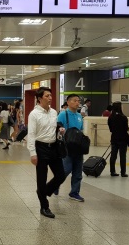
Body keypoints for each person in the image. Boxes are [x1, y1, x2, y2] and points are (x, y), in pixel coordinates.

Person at [27, 87, 67, 219]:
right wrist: (33, 153)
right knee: (41, 178)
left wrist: (59, 130)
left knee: (61, 174)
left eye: (51, 95)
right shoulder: (34, 114)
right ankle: (44, 206)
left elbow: (53, 127)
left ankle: (44, 191)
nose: (50, 98)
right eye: (47, 96)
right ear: (39, 98)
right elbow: (31, 135)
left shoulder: (54, 112)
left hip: (54, 147)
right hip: (41, 148)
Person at [58, 94, 86, 202]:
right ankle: (55, 184)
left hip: (78, 148)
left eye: (78, 101)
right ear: (68, 102)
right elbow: (57, 129)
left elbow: (81, 130)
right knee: (66, 170)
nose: (77, 103)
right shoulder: (63, 114)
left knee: (78, 171)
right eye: (75, 101)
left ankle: (74, 192)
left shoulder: (79, 116)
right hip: (67, 147)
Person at [108, 101, 129, 177]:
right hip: (123, 139)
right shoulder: (123, 117)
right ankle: (123, 172)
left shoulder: (110, 117)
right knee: (123, 156)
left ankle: (112, 171)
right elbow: (126, 129)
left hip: (114, 139)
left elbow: (110, 129)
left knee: (113, 156)